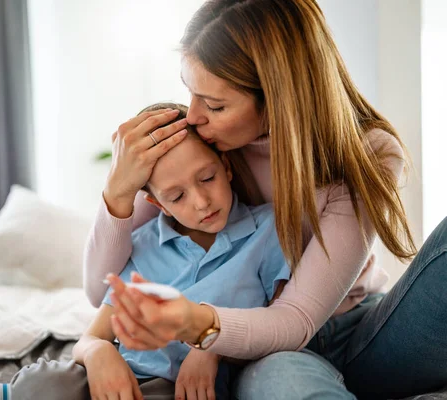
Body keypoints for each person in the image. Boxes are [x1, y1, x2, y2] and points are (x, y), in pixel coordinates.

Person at [83, 1, 447, 399]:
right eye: (191, 92)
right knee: (285, 381)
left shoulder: (368, 152)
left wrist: (201, 330)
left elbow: (296, 318)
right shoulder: (200, 143)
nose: (193, 115)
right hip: (266, 351)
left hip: (359, 331)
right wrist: (117, 192)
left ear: (278, 97)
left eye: (216, 105)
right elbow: (98, 289)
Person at [0, 103, 290, 400]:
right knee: (45, 385)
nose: (201, 202)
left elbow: (277, 327)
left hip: (175, 388)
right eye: (176, 197)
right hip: (117, 378)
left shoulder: (266, 232)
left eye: (207, 178)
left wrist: (212, 348)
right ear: (160, 205)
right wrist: (101, 352)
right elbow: (89, 339)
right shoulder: (144, 244)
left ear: (227, 167)